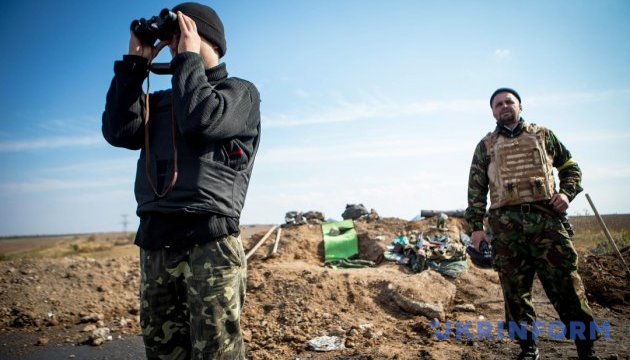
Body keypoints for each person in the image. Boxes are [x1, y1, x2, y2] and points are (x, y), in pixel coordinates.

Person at [102, 2, 260, 359]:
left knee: (216, 351)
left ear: (204, 37)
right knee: (163, 350)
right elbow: (118, 131)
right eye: (170, 41)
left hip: (209, 242)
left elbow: (200, 120)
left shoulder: (239, 95)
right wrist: (135, 65)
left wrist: (188, 58)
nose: (172, 47)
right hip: (156, 242)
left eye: (178, 38)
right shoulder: (159, 102)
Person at [464, 88, 599, 360]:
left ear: (520, 107)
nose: (504, 107)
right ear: (492, 112)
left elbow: (571, 167)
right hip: (506, 230)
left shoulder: (543, 136)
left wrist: (566, 193)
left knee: (567, 287)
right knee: (515, 294)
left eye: (509, 102)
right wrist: (476, 228)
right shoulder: (486, 146)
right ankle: (528, 349)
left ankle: (586, 349)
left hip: (547, 223)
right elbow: (476, 190)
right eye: (498, 104)